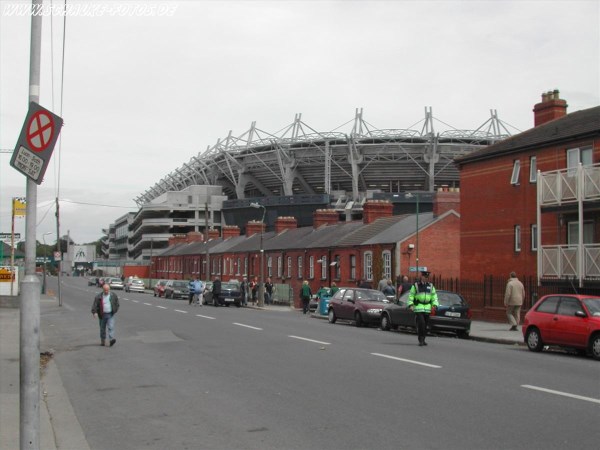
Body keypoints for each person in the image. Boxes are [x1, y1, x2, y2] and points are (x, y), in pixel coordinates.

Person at [408, 270, 438, 346]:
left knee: (425, 325)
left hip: (427, 308)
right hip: (418, 307)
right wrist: (411, 304)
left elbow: (434, 296)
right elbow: (411, 295)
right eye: (425, 277)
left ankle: (423, 339)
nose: (426, 278)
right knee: (422, 323)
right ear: (421, 277)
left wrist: (434, 305)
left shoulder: (431, 286)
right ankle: (420, 339)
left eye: (427, 277)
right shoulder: (416, 285)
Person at [91, 282, 120, 347]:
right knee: (102, 328)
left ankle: (111, 339)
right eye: (105, 290)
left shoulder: (113, 295)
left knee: (111, 327)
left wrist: (115, 310)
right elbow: (95, 305)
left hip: (110, 314)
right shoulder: (98, 296)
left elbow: (117, 303)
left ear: (109, 289)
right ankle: (103, 340)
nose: (106, 291)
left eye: (107, 290)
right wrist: (94, 312)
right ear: (103, 290)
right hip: (102, 315)